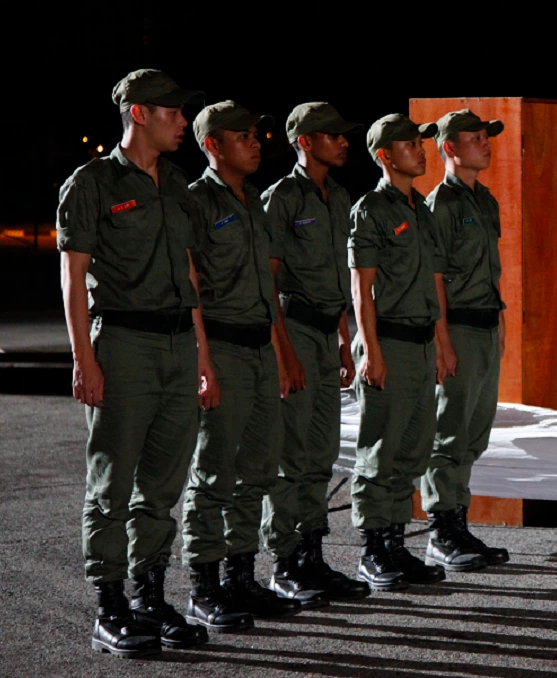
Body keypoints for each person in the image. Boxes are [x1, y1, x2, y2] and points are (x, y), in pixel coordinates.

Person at [57, 68, 210, 657]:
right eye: (173, 113)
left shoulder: (176, 185)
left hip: (176, 344)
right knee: (112, 483)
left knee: (163, 484)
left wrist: (201, 354)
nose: (182, 123)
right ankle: (110, 605)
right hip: (122, 343)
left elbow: (191, 276)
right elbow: (72, 278)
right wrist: (84, 359)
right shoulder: (91, 183)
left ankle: (150, 595)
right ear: (140, 114)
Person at [181, 100, 301, 630]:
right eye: (243, 136)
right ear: (212, 145)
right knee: (213, 474)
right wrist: (202, 359)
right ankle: (203, 587)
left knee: (256, 472)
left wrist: (279, 353)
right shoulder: (196, 203)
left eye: (256, 135)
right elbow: (192, 292)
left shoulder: (252, 200)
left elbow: (267, 291)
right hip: (223, 349)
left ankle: (240, 576)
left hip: (257, 349)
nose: (256, 143)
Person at [261, 102, 370, 605]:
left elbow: (338, 279)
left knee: (322, 454)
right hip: (296, 330)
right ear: (305, 142)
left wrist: (346, 339)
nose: (344, 141)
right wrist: (284, 354)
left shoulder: (340, 196)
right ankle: (284, 563)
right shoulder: (281, 198)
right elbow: (270, 282)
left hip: (328, 334)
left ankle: (312, 557)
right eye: (333, 135)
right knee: (293, 455)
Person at [348, 113, 449, 588]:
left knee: (412, 448)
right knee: (380, 452)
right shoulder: (372, 209)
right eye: (410, 145)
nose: (422, 150)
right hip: (388, 340)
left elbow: (433, 282)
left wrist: (443, 343)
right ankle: (371, 551)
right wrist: (370, 350)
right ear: (386, 155)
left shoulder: (420, 210)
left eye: (422, 143)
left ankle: (394, 543)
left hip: (421, 342)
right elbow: (361, 288)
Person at [423, 109, 510, 571]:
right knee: (449, 432)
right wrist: (442, 342)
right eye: (475, 138)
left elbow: (490, 272)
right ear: (450, 148)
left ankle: (458, 522)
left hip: (483, 326)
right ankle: (440, 531)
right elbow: (433, 277)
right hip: (455, 326)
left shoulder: (484, 201)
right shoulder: (440, 205)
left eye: (486, 137)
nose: (486, 143)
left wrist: (500, 325)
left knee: (475, 431)